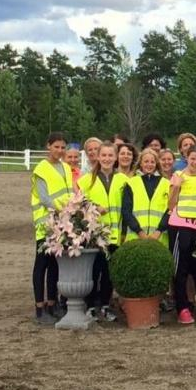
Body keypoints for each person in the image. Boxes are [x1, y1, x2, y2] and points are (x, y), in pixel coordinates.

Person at [78, 141, 128, 323]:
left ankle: (105, 306)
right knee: (93, 272)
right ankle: (91, 306)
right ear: (98, 157)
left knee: (109, 274)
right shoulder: (86, 180)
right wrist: (93, 208)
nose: (107, 159)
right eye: (104, 155)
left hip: (114, 235)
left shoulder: (124, 180)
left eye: (110, 155)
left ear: (115, 158)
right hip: (94, 236)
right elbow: (79, 204)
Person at [30, 132, 74, 324]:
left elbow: (69, 192)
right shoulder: (41, 169)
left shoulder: (65, 167)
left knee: (55, 265)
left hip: (62, 223)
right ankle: (39, 307)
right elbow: (44, 197)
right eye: (56, 146)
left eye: (63, 147)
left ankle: (51, 303)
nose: (60, 150)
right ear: (48, 146)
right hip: (45, 223)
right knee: (42, 265)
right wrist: (63, 208)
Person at [167, 145, 196, 325]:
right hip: (179, 227)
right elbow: (170, 205)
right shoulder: (178, 176)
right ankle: (182, 308)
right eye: (193, 159)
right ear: (186, 158)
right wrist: (176, 188)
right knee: (180, 270)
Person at [122, 148, 170, 246]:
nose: (149, 164)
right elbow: (126, 210)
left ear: (156, 164)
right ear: (140, 164)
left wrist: (159, 231)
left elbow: (170, 209)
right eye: (146, 161)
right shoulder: (131, 183)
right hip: (135, 236)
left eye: (152, 162)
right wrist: (140, 232)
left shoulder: (167, 184)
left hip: (159, 237)